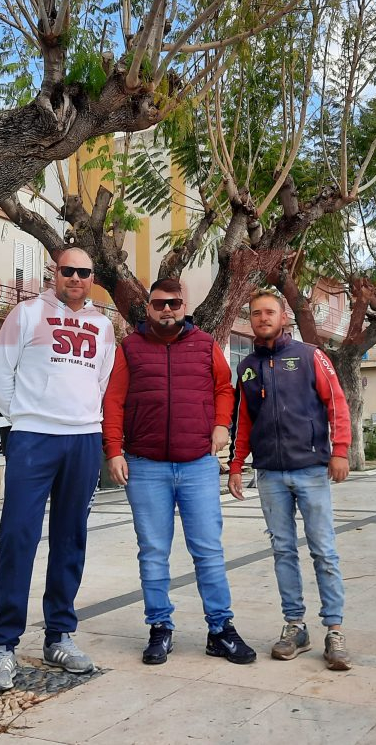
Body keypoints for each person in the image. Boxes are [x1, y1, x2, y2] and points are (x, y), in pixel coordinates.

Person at [0, 247, 116, 694]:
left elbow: (101, 379)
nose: (76, 278)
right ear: (53, 273)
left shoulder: (103, 325)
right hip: (34, 439)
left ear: (93, 277)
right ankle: (3, 646)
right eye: (68, 270)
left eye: (84, 272)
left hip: (83, 441)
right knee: (18, 536)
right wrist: (26, 416)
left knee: (70, 538)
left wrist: (82, 419)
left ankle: (59, 635)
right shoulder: (25, 314)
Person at [103, 278, 256, 666]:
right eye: (159, 304)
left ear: (184, 306)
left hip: (198, 465)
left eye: (174, 303)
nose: (167, 310)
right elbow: (114, 400)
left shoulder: (205, 345)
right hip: (145, 465)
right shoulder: (130, 348)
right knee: (153, 552)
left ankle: (220, 630)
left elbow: (226, 388)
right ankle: (160, 628)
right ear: (148, 308)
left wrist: (223, 426)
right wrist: (114, 451)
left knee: (208, 551)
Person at [228, 290, 352, 671]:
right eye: (256, 313)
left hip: (312, 469)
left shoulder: (310, 355)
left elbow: (337, 403)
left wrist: (341, 450)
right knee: (283, 551)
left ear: (283, 317)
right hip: (269, 474)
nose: (262, 318)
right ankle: (295, 627)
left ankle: (334, 631)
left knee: (323, 551)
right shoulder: (247, 367)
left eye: (269, 312)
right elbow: (243, 420)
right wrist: (237, 465)